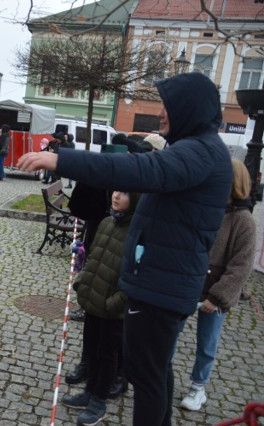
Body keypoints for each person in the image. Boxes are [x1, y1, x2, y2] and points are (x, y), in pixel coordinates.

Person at [16, 72, 232, 426]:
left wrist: (62, 159)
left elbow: (141, 169)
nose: (160, 112)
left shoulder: (199, 151)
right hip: (160, 283)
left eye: (168, 105)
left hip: (161, 288)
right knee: (154, 371)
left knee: (145, 377)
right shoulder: (197, 148)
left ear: (188, 109)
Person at [179, 159, 256, 411]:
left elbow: (241, 267)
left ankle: (198, 386)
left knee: (207, 343)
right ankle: (160, 377)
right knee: (169, 336)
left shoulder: (243, 221)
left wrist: (218, 297)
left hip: (214, 294)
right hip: (188, 286)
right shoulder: (206, 208)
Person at [62, 191, 140, 425]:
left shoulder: (137, 232)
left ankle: (99, 401)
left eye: (124, 193)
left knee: (108, 356)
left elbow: (135, 278)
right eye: (116, 190)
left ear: (135, 198)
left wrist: (113, 303)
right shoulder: (106, 222)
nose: (116, 196)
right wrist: (82, 283)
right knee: (93, 350)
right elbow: (94, 257)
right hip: (93, 302)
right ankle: (89, 390)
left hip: (112, 310)